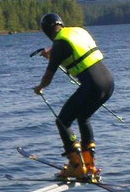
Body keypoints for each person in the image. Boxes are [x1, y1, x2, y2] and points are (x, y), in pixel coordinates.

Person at [33, 13, 114, 180]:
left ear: (46, 30)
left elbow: (48, 76)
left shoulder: (60, 43)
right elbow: (73, 48)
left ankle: (76, 166)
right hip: (108, 82)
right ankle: (89, 165)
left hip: (92, 85)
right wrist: (53, 51)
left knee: (63, 120)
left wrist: (40, 87)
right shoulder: (77, 31)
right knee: (83, 117)